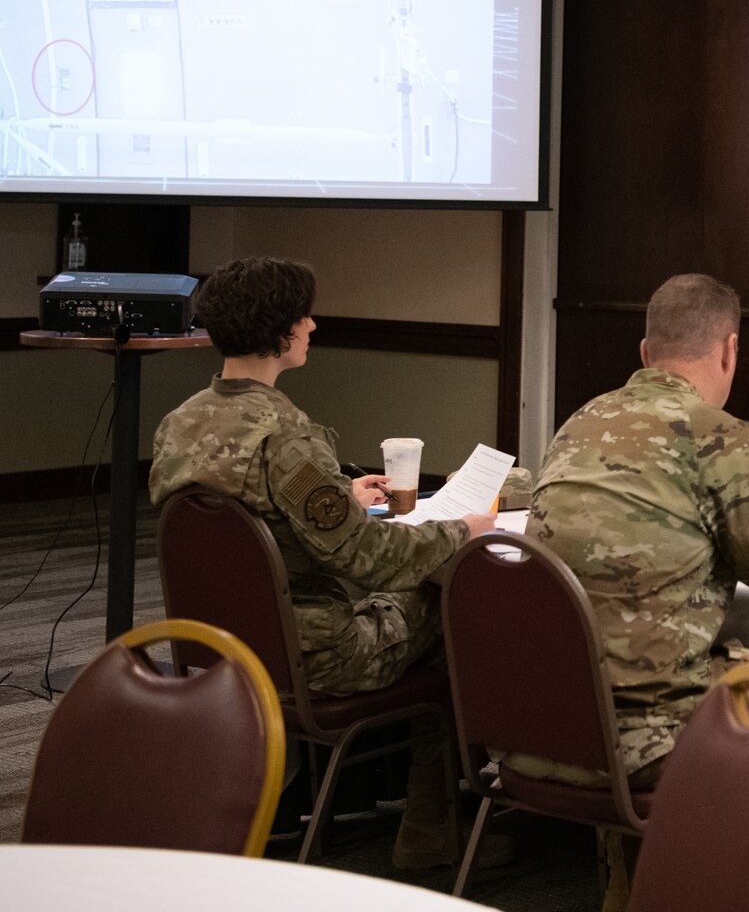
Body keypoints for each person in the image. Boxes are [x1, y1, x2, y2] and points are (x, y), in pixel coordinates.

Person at [149, 255, 499, 870]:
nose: (312, 326)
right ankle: (429, 830)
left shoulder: (180, 424)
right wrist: (458, 531)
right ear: (279, 329)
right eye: (303, 316)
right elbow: (369, 562)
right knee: (450, 604)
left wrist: (344, 498)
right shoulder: (285, 435)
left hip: (217, 647)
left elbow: (260, 525)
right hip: (315, 656)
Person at [523, 273, 749, 816]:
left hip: (546, 728)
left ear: (645, 351)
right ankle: (723, 876)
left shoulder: (579, 423)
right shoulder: (717, 436)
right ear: (730, 351)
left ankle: (628, 882)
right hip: (653, 740)